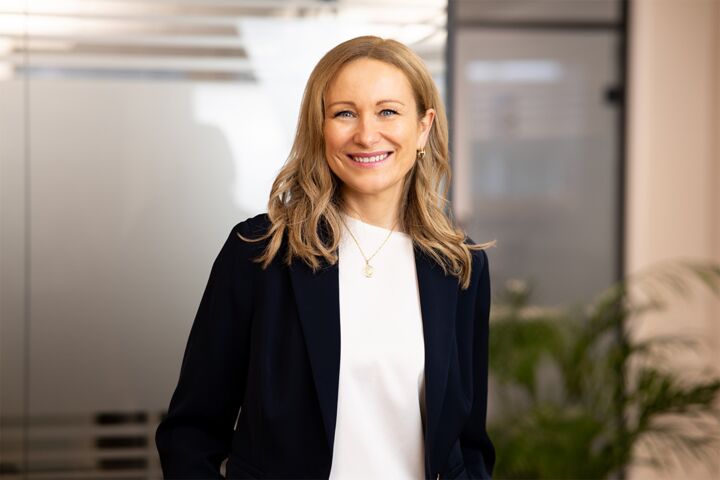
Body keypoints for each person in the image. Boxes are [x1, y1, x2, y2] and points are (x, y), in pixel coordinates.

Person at [155, 35, 496, 480]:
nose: (367, 134)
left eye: (388, 111)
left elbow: (468, 444)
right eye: (344, 113)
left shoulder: (459, 266)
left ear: (423, 127)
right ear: (320, 128)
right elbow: (191, 433)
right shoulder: (261, 252)